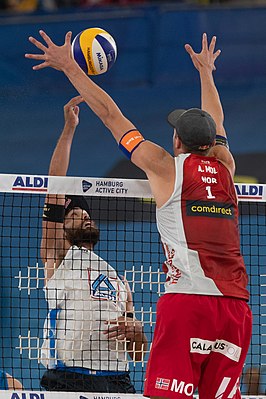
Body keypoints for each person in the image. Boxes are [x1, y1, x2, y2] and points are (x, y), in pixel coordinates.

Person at [26, 32, 252, 398]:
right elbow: (217, 121)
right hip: (237, 309)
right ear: (211, 144)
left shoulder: (165, 167)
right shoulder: (225, 165)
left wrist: (69, 65)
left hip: (189, 302)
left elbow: (111, 115)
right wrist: (207, 73)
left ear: (177, 141)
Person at [39, 96, 147, 392]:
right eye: (74, 215)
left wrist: (136, 331)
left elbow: (138, 353)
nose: (85, 218)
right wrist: (69, 129)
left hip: (117, 381)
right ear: (61, 226)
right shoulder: (58, 256)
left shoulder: (118, 279)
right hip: (68, 377)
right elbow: (55, 183)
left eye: (87, 214)